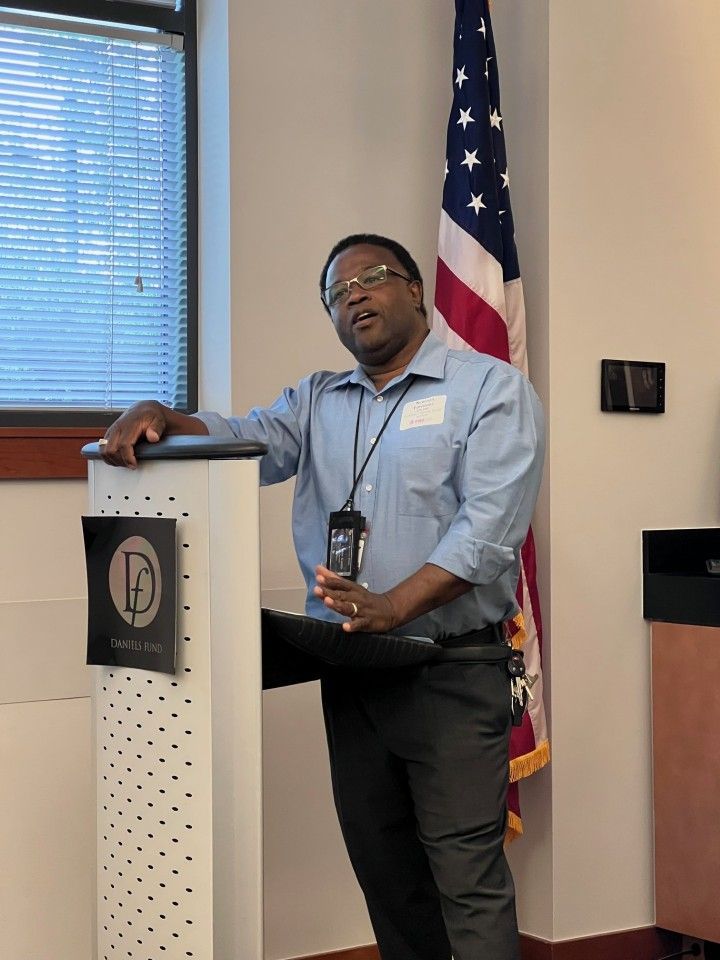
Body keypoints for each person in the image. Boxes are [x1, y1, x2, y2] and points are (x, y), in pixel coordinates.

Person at [101, 233, 545, 960]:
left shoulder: (490, 390)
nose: (353, 296)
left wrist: (393, 606)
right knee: (387, 875)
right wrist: (161, 414)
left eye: (370, 278)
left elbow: (489, 535)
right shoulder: (316, 400)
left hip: (451, 673)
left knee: (466, 878)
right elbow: (240, 439)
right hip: (353, 674)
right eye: (336, 293)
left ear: (415, 290)